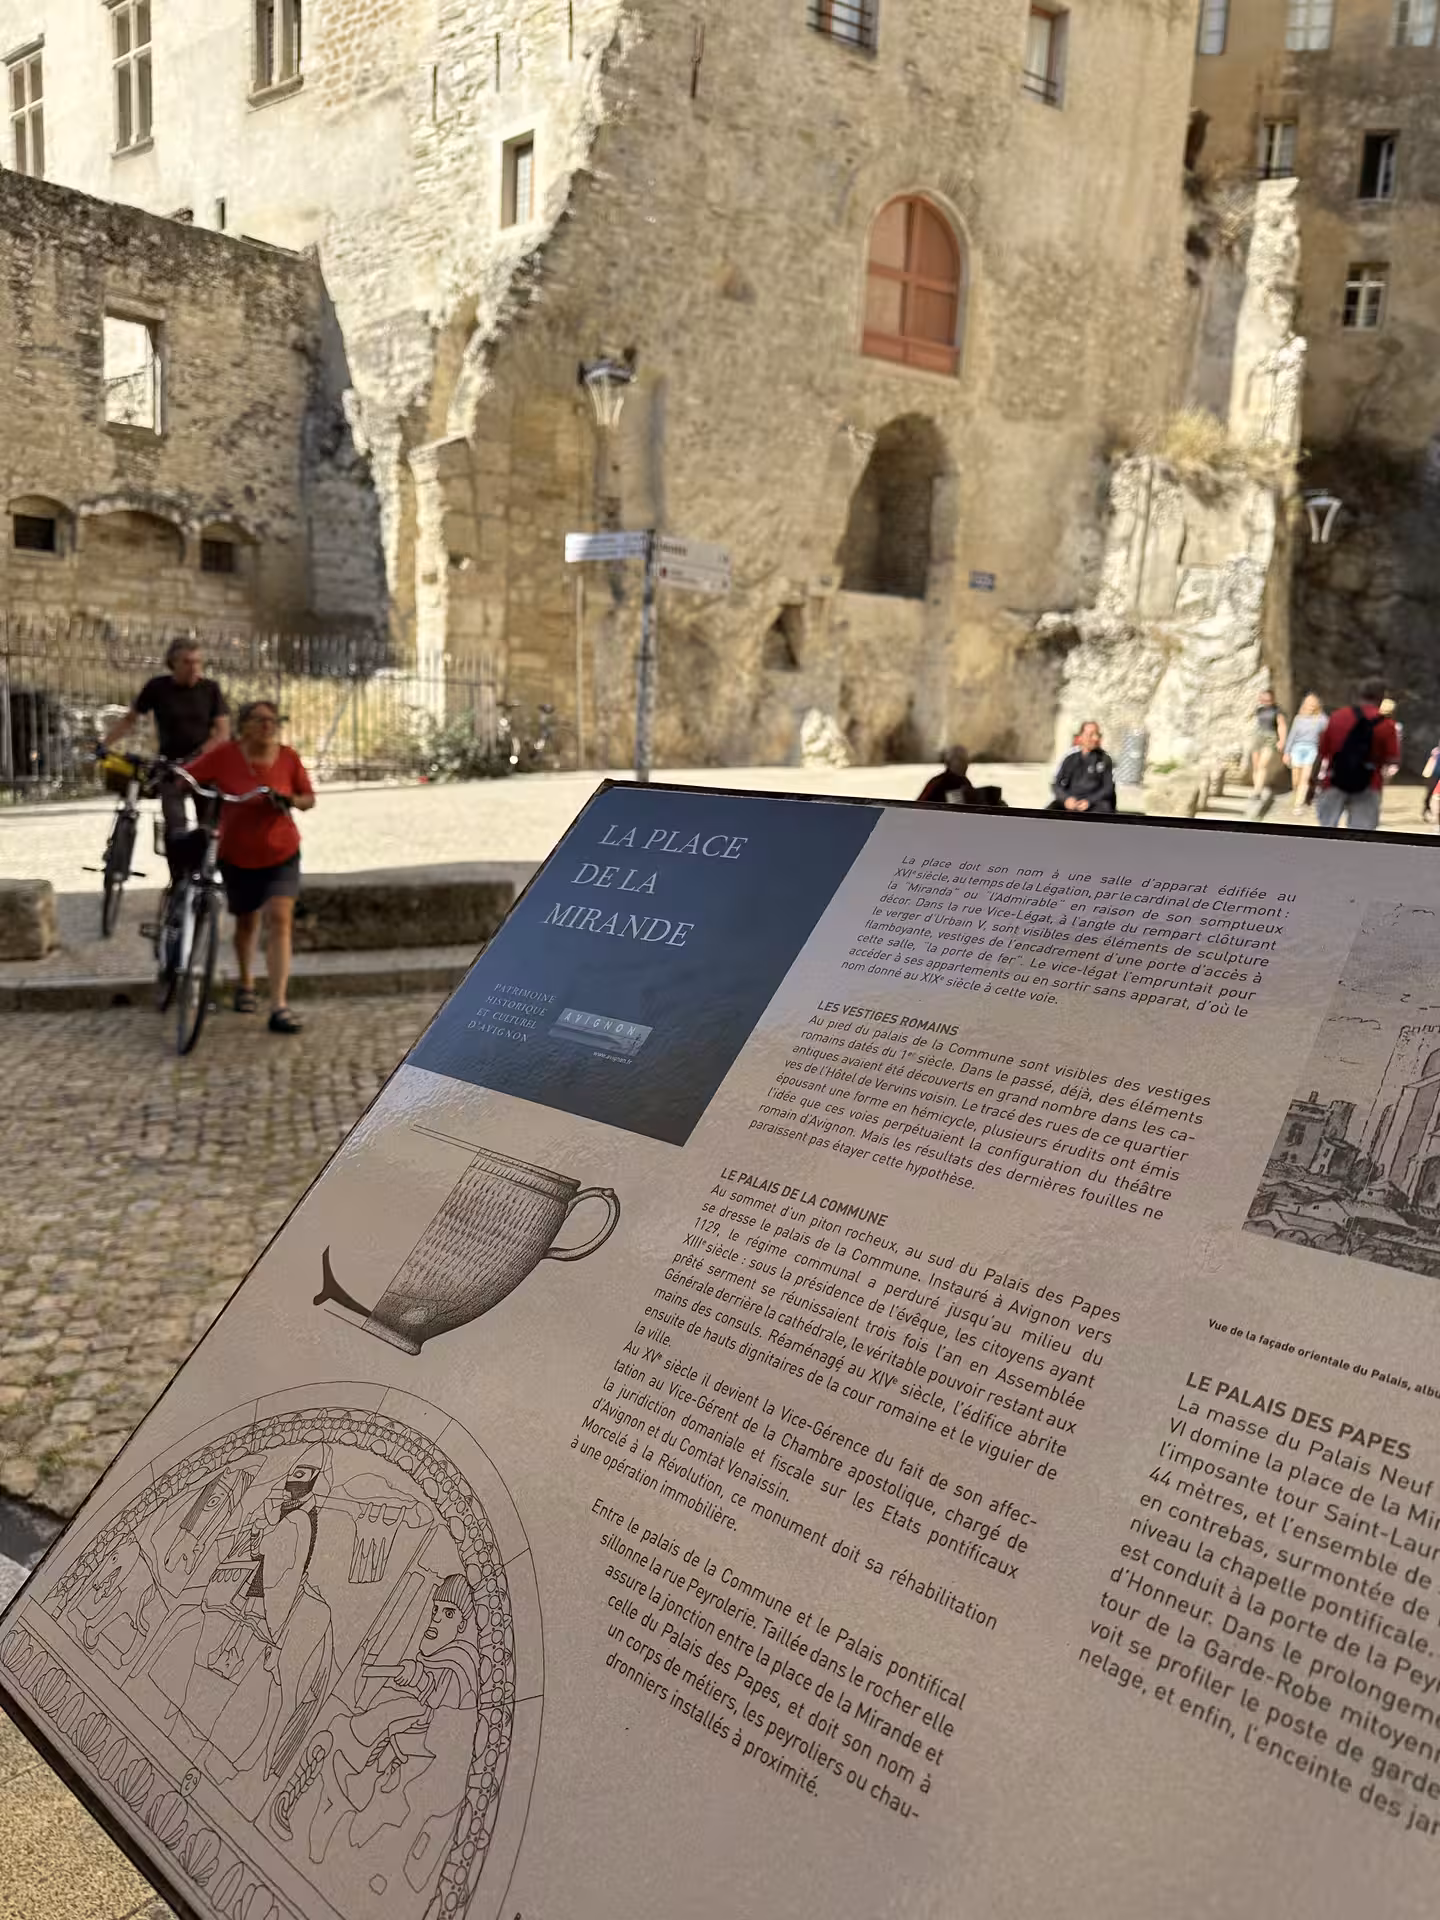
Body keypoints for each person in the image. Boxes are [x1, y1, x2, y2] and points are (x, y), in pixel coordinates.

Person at [186, 700, 315, 1034]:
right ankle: (245, 983)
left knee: (280, 917)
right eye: (259, 720)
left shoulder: (288, 757)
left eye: (273, 720)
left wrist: (287, 800)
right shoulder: (225, 755)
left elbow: (308, 798)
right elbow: (191, 777)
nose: (268, 726)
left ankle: (279, 1005)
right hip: (238, 854)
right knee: (246, 921)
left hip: (282, 851)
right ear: (244, 725)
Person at [101, 639, 229, 881]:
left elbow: (222, 732)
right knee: (175, 827)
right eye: (187, 662)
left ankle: (204, 878)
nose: (194, 667)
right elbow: (130, 719)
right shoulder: (158, 688)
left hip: (205, 767)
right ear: (173, 664)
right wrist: (104, 745)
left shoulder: (210, 689)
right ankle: (178, 880)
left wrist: (197, 757)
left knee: (208, 827)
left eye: (198, 662)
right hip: (170, 767)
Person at [1308, 678, 1400, 832]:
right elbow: (1392, 758)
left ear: (1359, 694)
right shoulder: (1387, 725)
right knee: (1361, 837)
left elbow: (1322, 753)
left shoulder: (1337, 717)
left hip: (1334, 781)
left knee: (1325, 833)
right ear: (1381, 697)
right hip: (1369, 784)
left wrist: (1312, 783)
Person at [1048, 721, 1116, 815]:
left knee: (1103, 811)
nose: (1095, 738)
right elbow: (1056, 784)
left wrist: (1089, 801)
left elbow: (1108, 789)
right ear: (1080, 737)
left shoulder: (1104, 759)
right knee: (1050, 811)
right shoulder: (1070, 759)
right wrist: (1066, 799)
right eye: (1091, 735)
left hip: (1094, 803)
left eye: (1097, 734)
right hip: (1072, 801)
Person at [1282, 692, 1327, 816]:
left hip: (1311, 749)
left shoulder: (1321, 719)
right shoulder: (1299, 718)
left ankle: (1298, 804)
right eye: (1309, 703)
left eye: (1314, 703)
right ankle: (1297, 794)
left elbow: (1328, 734)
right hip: (1297, 748)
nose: (1311, 705)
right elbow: (1292, 736)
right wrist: (1287, 752)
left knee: (1305, 778)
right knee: (1296, 779)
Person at [1250, 688, 1287, 794]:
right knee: (1256, 765)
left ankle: (1257, 791)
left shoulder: (1277, 710)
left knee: (1263, 764)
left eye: (1268, 700)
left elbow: (1281, 725)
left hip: (1270, 737)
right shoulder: (1259, 710)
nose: (1266, 702)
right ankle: (1256, 788)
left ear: (1273, 699)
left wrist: (1282, 740)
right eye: (1263, 699)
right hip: (1257, 736)